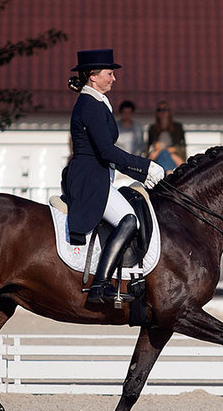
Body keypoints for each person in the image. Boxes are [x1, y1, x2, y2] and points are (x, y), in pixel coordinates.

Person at [62, 49, 165, 304]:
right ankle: (101, 284)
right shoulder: (89, 105)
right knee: (129, 220)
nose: (114, 78)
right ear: (93, 77)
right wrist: (145, 166)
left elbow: (107, 154)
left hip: (99, 175)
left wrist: (140, 173)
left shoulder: (95, 101)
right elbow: (107, 151)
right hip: (89, 179)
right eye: (110, 74)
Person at [146, 100, 186, 173]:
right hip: (158, 156)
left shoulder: (177, 127)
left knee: (165, 153)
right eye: (159, 110)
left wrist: (163, 150)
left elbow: (181, 146)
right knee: (163, 154)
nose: (162, 112)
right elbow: (149, 147)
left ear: (169, 112)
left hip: (174, 156)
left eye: (165, 109)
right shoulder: (153, 129)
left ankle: (166, 172)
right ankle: (168, 172)